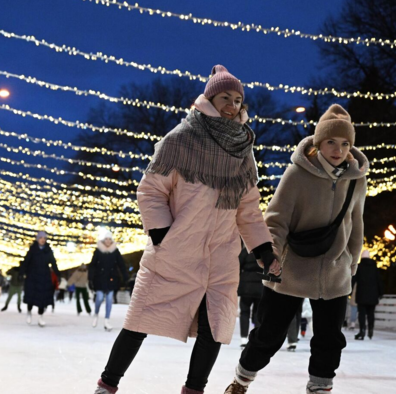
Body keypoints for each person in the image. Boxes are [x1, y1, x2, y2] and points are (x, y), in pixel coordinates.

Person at [93, 65, 275, 394]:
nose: (232, 105)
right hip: (175, 252)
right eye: (225, 98)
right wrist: (163, 234)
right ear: (209, 98)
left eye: (238, 99)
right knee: (138, 323)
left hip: (220, 258)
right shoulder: (180, 140)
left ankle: (194, 390)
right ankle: (106, 385)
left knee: (215, 328)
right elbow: (151, 192)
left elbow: (247, 210)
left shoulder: (243, 153)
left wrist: (264, 250)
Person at [226, 104, 368, 394]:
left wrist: (352, 263)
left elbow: (356, 222)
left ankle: (319, 388)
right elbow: (276, 220)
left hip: (335, 270)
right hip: (290, 268)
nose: (338, 149)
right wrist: (272, 254)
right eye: (331, 142)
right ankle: (241, 381)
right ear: (318, 143)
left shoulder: (357, 179)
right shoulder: (297, 174)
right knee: (269, 333)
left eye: (345, 143)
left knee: (329, 338)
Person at [90, 229, 129, 331]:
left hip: (112, 278)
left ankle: (107, 320)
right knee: (99, 298)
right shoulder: (98, 251)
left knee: (109, 299)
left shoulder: (115, 251)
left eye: (109, 239)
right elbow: (92, 266)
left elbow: (121, 265)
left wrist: (125, 277)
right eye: (106, 239)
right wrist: (90, 278)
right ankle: (96, 313)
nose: (108, 241)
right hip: (99, 278)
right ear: (103, 240)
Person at [22, 230, 59, 327]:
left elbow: (53, 263)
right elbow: (26, 262)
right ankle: (29, 312)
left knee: (42, 298)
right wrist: (22, 273)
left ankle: (40, 316)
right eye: (41, 238)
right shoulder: (33, 249)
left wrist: (58, 274)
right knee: (31, 297)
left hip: (44, 276)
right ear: (37, 239)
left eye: (44, 238)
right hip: (33, 276)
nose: (42, 240)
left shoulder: (48, 250)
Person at [353, 249, 383, 340]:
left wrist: (349, 291)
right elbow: (379, 281)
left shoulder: (359, 267)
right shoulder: (374, 268)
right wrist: (380, 293)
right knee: (371, 313)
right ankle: (370, 330)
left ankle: (362, 330)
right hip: (373, 296)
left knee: (361, 313)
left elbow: (353, 280)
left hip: (362, 295)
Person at [238, 244, 263, 348]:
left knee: (244, 312)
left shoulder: (245, 252)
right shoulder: (263, 252)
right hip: (260, 286)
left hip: (246, 286)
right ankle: (256, 337)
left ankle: (244, 338)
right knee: (258, 313)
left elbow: (237, 266)